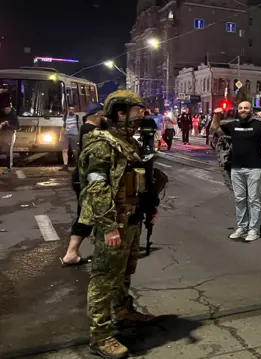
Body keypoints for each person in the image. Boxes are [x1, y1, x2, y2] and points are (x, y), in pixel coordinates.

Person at [78, 90, 167, 357]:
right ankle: (100, 335)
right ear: (120, 113)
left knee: (125, 272)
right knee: (105, 279)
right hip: (114, 222)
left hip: (131, 219)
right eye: (137, 110)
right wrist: (108, 227)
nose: (142, 115)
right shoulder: (101, 144)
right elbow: (97, 188)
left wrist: (149, 207)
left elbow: (139, 182)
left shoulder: (129, 144)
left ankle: (123, 311)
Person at [210, 101, 261, 241]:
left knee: (254, 200)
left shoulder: (259, 126)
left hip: (254, 168)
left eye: (246, 108)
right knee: (240, 199)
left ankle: (254, 230)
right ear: (238, 110)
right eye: (241, 108)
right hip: (237, 168)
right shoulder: (233, 125)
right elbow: (214, 128)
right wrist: (216, 115)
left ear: (251, 110)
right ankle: (242, 227)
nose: (243, 110)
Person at [60, 102, 107, 266]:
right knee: (86, 216)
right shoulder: (90, 130)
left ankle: (73, 253)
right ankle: (71, 254)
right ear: (97, 115)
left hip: (82, 177)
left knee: (87, 215)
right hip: (84, 179)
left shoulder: (87, 129)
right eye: (103, 116)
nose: (105, 119)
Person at [0, 92, 19, 174]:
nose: (6, 111)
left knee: (9, 150)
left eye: (7, 109)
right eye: (4, 110)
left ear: (10, 108)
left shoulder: (13, 115)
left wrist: (8, 124)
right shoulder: (2, 113)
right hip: (2, 134)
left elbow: (18, 127)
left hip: (10, 134)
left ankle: (9, 167)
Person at [60, 105, 81, 171]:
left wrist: (80, 135)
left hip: (75, 135)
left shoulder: (77, 117)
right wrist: (60, 136)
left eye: (73, 109)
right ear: (68, 110)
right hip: (66, 135)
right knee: (64, 150)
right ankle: (65, 165)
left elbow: (80, 126)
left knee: (75, 151)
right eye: (70, 109)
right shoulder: (65, 116)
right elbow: (63, 126)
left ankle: (78, 164)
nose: (72, 110)